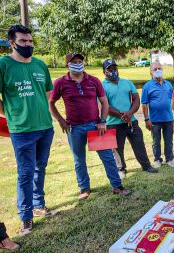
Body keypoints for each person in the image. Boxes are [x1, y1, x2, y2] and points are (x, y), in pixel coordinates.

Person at [49, 53, 130, 200]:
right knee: (79, 160)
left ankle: (117, 186)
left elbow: (104, 103)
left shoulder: (93, 80)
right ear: (67, 64)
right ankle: (84, 188)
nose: (78, 63)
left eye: (80, 61)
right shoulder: (60, 82)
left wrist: (103, 121)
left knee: (107, 157)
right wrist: (61, 120)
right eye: (74, 61)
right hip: (74, 128)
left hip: (95, 126)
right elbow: (51, 103)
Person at [0, 25, 55, 235]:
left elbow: (48, 93)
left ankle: (39, 205)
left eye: (31, 41)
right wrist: (11, 112)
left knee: (40, 167)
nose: (28, 44)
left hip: (45, 128)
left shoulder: (40, 65)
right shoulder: (4, 65)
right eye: (23, 41)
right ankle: (26, 216)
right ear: (12, 43)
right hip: (22, 130)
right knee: (25, 173)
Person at [101, 59, 158, 174]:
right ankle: (121, 168)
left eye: (114, 68)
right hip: (113, 123)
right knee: (117, 148)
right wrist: (122, 115)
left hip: (131, 121)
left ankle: (146, 165)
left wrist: (130, 113)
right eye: (109, 69)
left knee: (139, 143)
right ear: (104, 72)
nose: (113, 71)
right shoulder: (102, 86)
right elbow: (105, 105)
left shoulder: (127, 82)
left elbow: (136, 99)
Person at [142, 62, 174, 168]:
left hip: (168, 119)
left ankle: (169, 159)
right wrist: (147, 119)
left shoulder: (168, 84)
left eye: (159, 68)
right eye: (155, 69)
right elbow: (144, 104)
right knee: (156, 141)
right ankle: (157, 159)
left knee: (169, 141)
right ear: (150, 72)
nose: (157, 70)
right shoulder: (147, 86)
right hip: (155, 120)